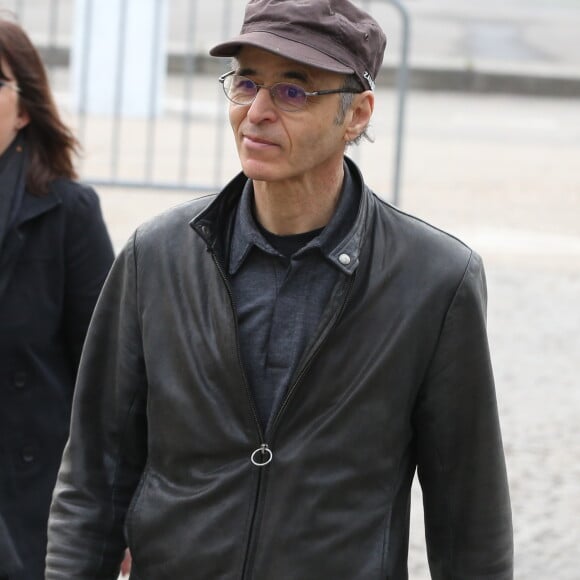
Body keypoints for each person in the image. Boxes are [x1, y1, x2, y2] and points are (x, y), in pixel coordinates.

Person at [46, 0, 513, 578]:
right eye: (247, 82)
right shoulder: (157, 256)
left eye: (294, 91)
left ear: (358, 114)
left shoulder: (436, 280)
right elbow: (94, 478)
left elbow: (470, 524)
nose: (257, 111)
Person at [0, 17, 115, 580]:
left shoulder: (69, 214)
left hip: (30, 500)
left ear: (24, 109)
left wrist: (119, 513)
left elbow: (113, 379)